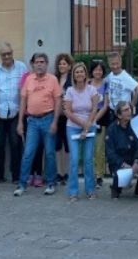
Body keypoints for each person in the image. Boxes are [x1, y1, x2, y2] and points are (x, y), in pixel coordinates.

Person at [14, 53, 63, 197]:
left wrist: (55, 122)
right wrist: (20, 123)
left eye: (42, 62)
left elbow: (58, 101)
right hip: (32, 122)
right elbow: (23, 101)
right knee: (28, 153)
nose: (40, 64)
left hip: (48, 119)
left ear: (47, 64)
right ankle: (22, 184)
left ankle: (51, 183)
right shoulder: (28, 80)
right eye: (37, 62)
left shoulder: (53, 80)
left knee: (49, 153)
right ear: (33, 64)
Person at [0, 43, 27, 184]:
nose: (7, 56)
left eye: (9, 53)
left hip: (16, 112)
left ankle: (16, 175)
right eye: (4, 54)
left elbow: (26, 88)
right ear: (1, 56)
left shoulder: (22, 67)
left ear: (12, 53)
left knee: (16, 144)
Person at [64, 62, 100, 202]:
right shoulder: (69, 91)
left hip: (89, 126)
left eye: (81, 71)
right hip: (73, 126)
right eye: (76, 72)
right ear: (73, 75)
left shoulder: (92, 90)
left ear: (86, 74)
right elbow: (68, 111)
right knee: (74, 159)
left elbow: (94, 109)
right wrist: (82, 124)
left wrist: (87, 127)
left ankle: (90, 190)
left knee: (88, 159)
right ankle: (73, 192)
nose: (79, 74)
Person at [106, 101, 138, 198]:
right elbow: (110, 153)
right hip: (119, 161)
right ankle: (116, 188)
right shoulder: (111, 129)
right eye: (125, 110)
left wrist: (136, 161)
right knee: (118, 173)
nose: (129, 112)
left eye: (129, 109)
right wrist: (122, 164)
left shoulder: (135, 126)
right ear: (119, 115)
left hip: (132, 158)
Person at [89, 60, 110, 189]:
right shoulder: (87, 84)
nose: (98, 72)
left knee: (99, 148)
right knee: (88, 148)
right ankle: (89, 173)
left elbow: (106, 105)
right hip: (87, 117)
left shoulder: (106, 84)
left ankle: (99, 175)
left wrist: (95, 119)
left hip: (101, 118)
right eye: (96, 69)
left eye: (100, 70)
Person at [54, 53, 74, 185]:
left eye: (64, 64)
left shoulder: (71, 81)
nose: (62, 66)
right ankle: (58, 172)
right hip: (56, 116)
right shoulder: (54, 79)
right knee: (57, 145)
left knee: (67, 146)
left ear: (69, 66)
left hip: (68, 117)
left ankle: (66, 172)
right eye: (60, 63)